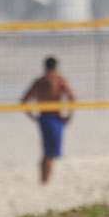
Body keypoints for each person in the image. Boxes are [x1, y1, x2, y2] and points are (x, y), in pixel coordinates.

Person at [21, 56, 76, 184]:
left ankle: (43, 179)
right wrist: (69, 115)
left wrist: (32, 116)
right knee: (50, 152)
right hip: (55, 118)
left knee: (47, 151)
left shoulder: (39, 81)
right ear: (56, 67)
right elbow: (72, 97)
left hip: (43, 117)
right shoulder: (59, 79)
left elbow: (24, 100)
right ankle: (46, 180)